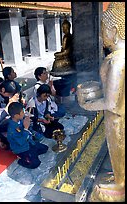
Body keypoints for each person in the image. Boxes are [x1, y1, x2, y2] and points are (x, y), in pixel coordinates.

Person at [77, 2, 125, 202]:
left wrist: (87, 104)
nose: (101, 35)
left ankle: (120, 184)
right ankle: (120, 177)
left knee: (118, 147)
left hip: (117, 117)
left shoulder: (116, 61)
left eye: (103, 30)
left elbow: (112, 103)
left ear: (114, 30)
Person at [7, 102, 48, 169]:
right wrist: (26, 128)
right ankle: (21, 160)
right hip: (21, 148)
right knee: (35, 164)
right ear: (16, 115)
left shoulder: (19, 120)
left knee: (45, 148)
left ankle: (31, 155)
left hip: (28, 143)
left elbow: (28, 130)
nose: (24, 113)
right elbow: (21, 142)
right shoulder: (11, 130)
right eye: (22, 112)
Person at [0, 79, 19, 149]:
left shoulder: (7, 94)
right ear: (3, 90)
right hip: (0, 123)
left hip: (10, 117)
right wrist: (9, 105)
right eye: (9, 94)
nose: (10, 96)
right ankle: (3, 139)